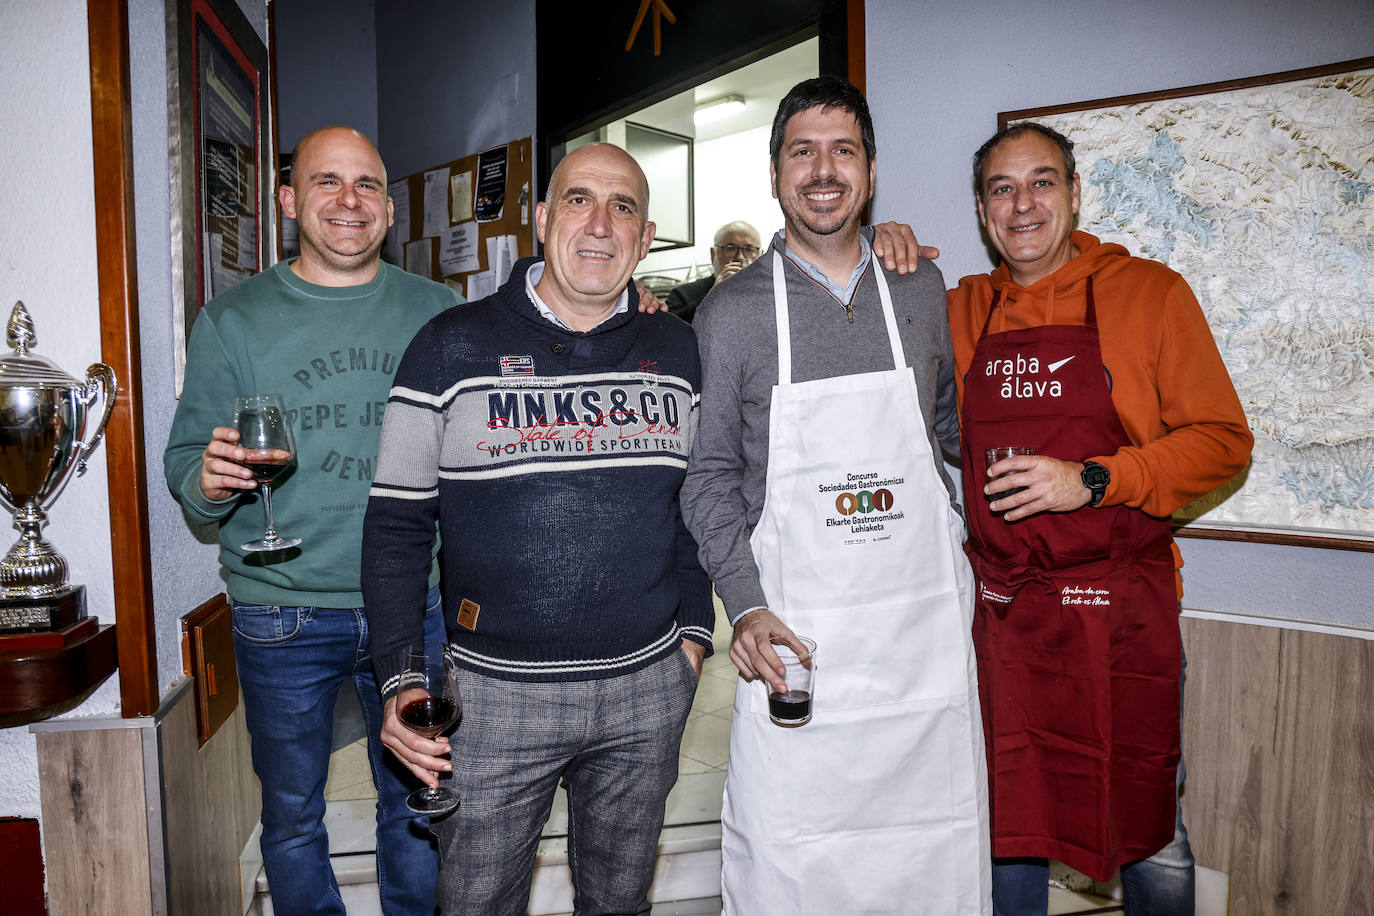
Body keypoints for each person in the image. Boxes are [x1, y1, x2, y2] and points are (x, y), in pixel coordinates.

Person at [361, 141, 715, 916]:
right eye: (580, 200)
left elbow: (695, 510)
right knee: (477, 902)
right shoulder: (448, 347)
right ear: (544, 217)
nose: (600, 223)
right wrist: (401, 679)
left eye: (623, 206)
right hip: (494, 697)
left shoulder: (678, 348)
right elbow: (395, 528)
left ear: (646, 236)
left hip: (646, 689)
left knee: (620, 903)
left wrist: (692, 641)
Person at [681, 76, 992, 915]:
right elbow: (707, 477)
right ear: (776, 172)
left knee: (936, 848)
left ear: (871, 169)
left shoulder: (921, 289)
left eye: (842, 151)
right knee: (791, 855)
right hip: (796, 638)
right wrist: (743, 607)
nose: (823, 171)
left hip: (918, 643)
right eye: (802, 152)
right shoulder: (731, 313)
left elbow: (948, 436)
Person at [947, 122, 1253, 916]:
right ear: (982, 212)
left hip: (1117, 609)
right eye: (1002, 189)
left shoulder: (1151, 294)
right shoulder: (960, 309)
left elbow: (1223, 442)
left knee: (1148, 820)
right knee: (1007, 818)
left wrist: (1094, 478)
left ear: (1075, 195)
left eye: (1042, 183)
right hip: (1007, 612)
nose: (1023, 205)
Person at [164, 125, 457, 916]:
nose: (349, 201)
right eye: (327, 182)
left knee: (420, 804)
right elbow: (187, 465)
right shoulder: (234, 321)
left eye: (366, 185)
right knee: (292, 817)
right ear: (290, 201)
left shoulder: (441, 312)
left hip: (416, 606)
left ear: (389, 211)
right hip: (279, 607)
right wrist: (211, 476)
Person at [664, 220, 762, 322]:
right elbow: (668, 330)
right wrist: (713, 296)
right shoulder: (683, 295)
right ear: (713, 254)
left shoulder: (772, 295)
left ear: (761, 255)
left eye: (749, 249)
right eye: (730, 248)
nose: (740, 257)